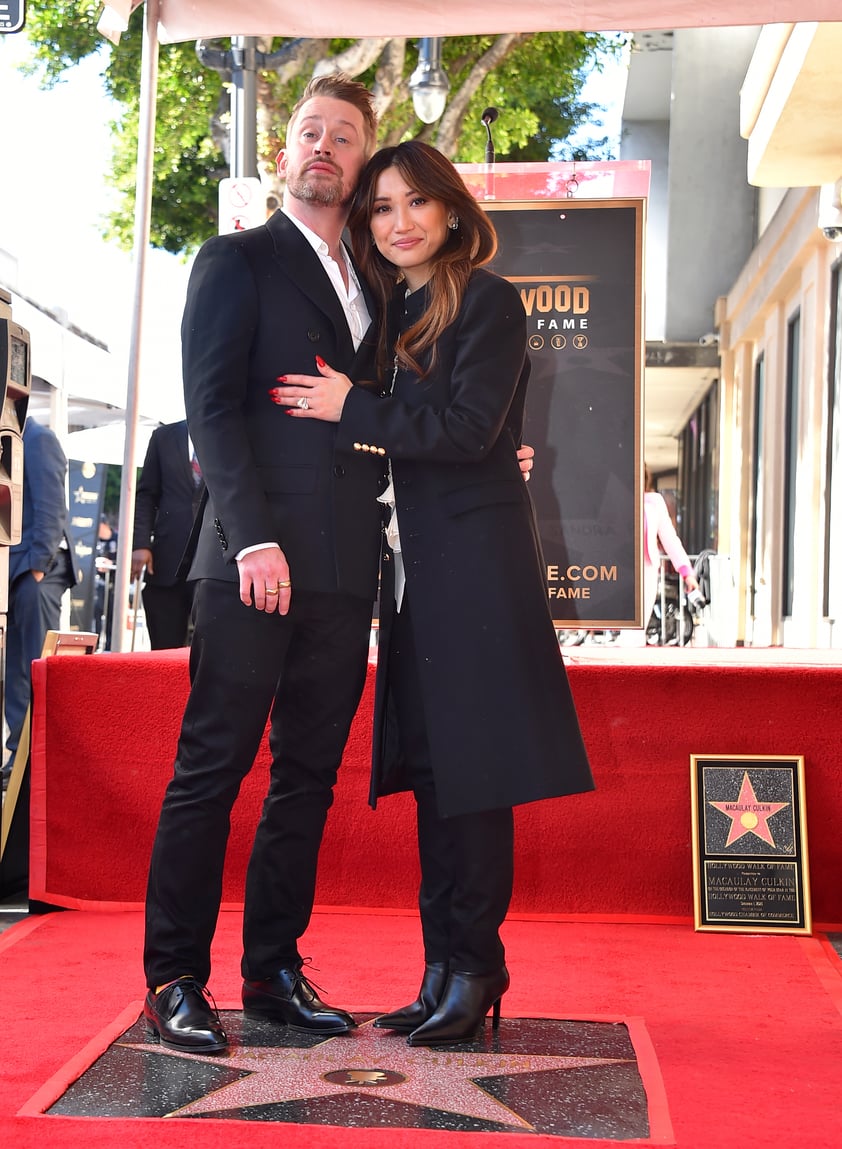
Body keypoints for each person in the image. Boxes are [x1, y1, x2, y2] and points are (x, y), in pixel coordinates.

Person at [274, 140, 595, 1046]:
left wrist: (353, 407)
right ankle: (439, 968)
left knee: (476, 777)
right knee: (435, 777)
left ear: (452, 210)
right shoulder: (388, 311)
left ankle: (476, 964)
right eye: (381, 208)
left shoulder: (488, 302)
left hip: (477, 569)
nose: (399, 221)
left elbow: (463, 430)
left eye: (416, 203)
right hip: (410, 578)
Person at [3, 418, 78, 784]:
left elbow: (51, 508)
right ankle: (18, 759)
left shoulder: (38, 438)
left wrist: (36, 568)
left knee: (34, 667)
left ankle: (38, 762)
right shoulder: (12, 440)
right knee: (14, 670)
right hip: (13, 572)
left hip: (37, 572)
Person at [131, 419, 203, 649]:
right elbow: (147, 495)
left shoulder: (230, 431)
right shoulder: (163, 437)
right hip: (167, 560)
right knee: (164, 648)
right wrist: (141, 543)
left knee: (209, 653)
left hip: (214, 559)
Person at [618, 464, 701, 646]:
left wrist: (687, 573)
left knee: (636, 630)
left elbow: (670, 539)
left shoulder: (654, 501)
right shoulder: (612, 498)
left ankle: (628, 669)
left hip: (645, 569)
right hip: (617, 569)